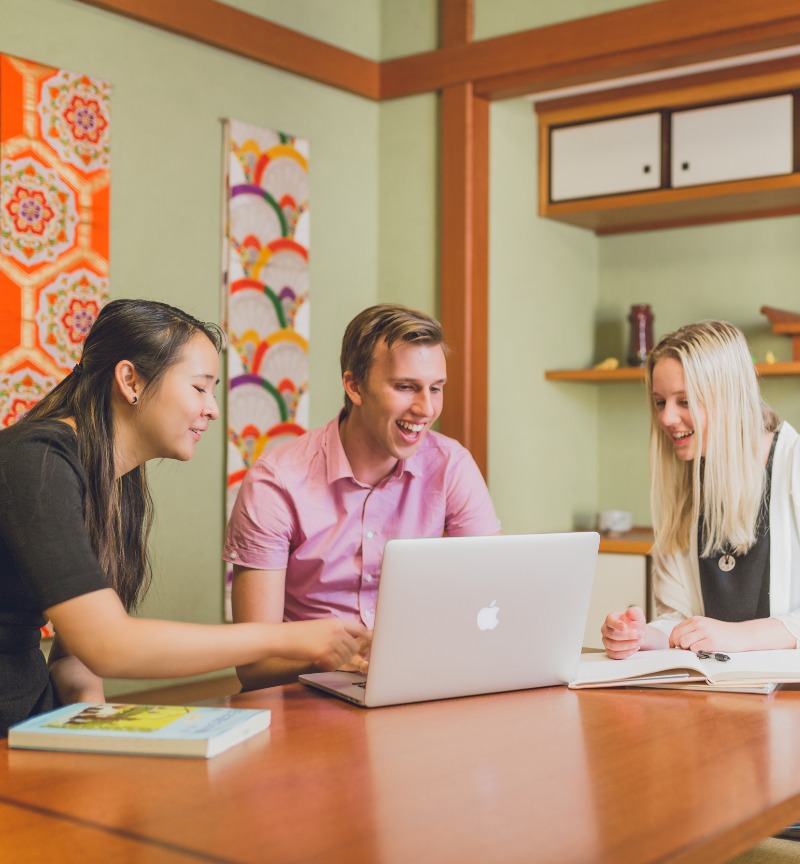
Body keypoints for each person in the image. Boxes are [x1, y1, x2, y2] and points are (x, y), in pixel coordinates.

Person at [0, 299, 368, 736]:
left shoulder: (117, 481)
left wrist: (92, 730)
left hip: (28, 716)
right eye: (199, 388)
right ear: (130, 379)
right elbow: (106, 644)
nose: (212, 408)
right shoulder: (35, 461)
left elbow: (74, 657)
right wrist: (291, 638)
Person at [225, 303, 501, 688]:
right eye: (405, 387)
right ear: (354, 386)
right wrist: (342, 660)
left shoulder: (451, 464)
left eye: (435, 388)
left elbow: (495, 599)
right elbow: (253, 665)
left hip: (418, 685)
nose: (426, 408)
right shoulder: (276, 482)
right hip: (307, 697)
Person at [602, 320, 800, 660]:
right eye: (660, 402)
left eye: (685, 400)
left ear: (730, 395)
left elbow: (722, 635)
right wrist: (642, 634)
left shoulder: (793, 464)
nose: (666, 418)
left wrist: (740, 636)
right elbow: (680, 621)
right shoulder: (683, 485)